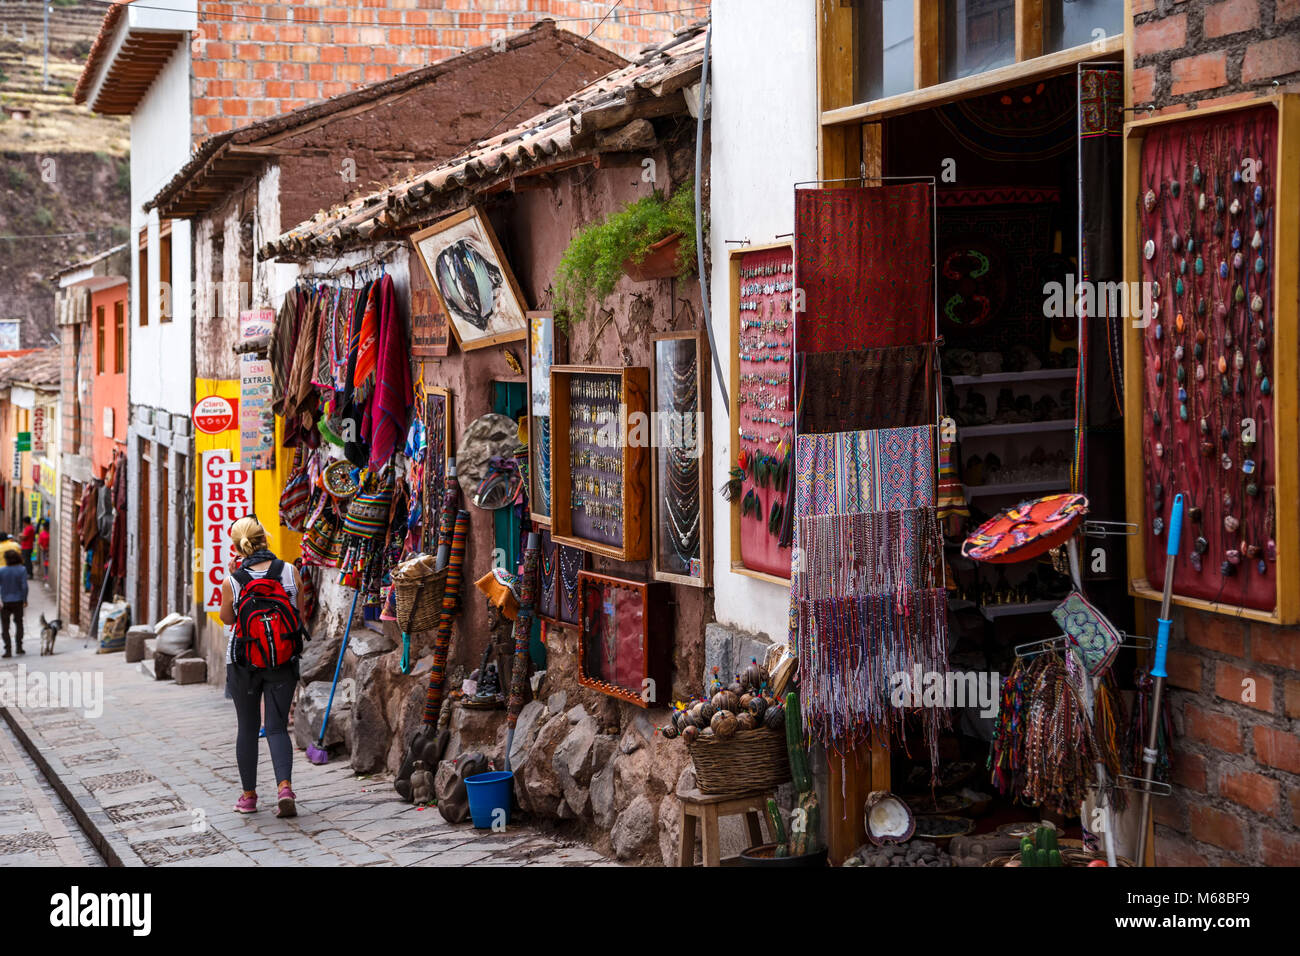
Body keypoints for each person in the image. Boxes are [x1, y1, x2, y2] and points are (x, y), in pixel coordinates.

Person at [219, 516, 306, 818]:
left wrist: (234, 578)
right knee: (277, 726)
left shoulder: (233, 580)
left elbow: (229, 620)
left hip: (243, 661)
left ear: (237, 546)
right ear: (264, 539)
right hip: (283, 659)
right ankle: (284, 788)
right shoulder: (290, 572)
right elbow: (299, 615)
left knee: (247, 727)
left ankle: (248, 797)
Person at [0, 549, 28, 657]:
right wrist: (25, 599)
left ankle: (8, 650)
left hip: (5, 602)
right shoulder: (22, 570)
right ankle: (19, 647)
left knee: (5, 626)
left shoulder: (2, 571)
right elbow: (24, 586)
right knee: (19, 623)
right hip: (18, 601)